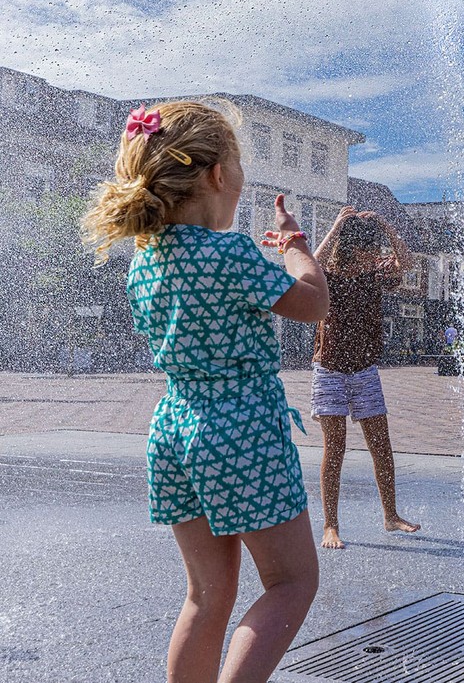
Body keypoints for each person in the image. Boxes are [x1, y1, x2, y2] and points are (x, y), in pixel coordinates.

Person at [80, 101, 328, 682]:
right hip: (239, 428)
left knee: (206, 595)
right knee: (291, 582)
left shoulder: (143, 263)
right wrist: (296, 247)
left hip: (174, 427)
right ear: (219, 174)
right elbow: (313, 304)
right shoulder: (230, 253)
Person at [311, 206, 421, 549]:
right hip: (329, 368)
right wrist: (337, 226)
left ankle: (390, 515)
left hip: (365, 370)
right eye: (369, 250)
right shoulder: (328, 274)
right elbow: (309, 265)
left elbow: (409, 262)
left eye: (376, 251)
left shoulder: (375, 275)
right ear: (352, 249)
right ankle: (331, 525)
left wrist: (387, 224)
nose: (376, 256)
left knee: (381, 445)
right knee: (336, 447)